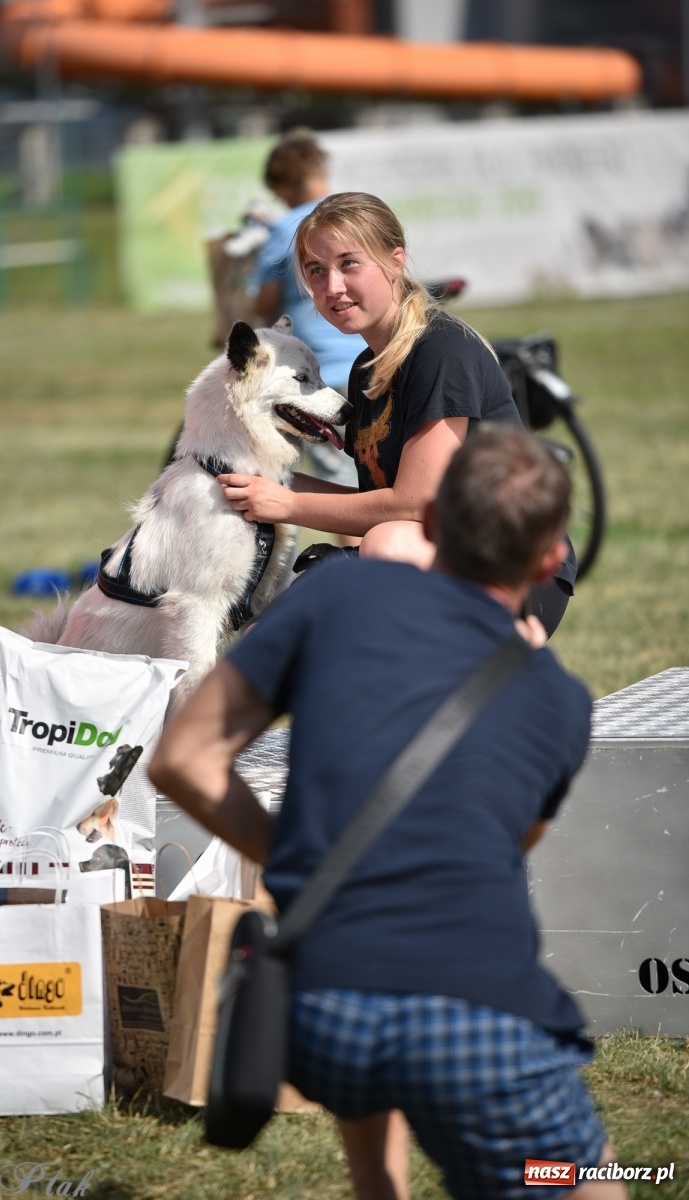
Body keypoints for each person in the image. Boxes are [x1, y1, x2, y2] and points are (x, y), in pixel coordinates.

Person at [149, 427, 623, 1200]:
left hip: (322, 1017)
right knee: (595, 1176)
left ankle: (378, 1184)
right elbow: (508, 843)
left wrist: (305, 856)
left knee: (379, 1076)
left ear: (428, 526)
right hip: (476, 1021)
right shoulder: (558, 702)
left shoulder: (335, 594)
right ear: (547, 565)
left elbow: (183, 759)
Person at [218, 191, 576, 637]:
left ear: (395, 261)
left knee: (386, 545)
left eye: (349, 263)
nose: (332, 287)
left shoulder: (440, 350)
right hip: (424, 555)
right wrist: (262, 481)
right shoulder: (367, 367)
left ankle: (504, 665)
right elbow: (381, 500)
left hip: (510, 566)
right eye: (316, 270)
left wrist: (288, 503)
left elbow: (413, 504)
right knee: (267, 639)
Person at [252, 134, 365, 542]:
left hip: (314, 376)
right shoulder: (345, 222)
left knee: (343, 494)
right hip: (365, 363)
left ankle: (362, 577)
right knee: (369, 479)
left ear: (281, 188)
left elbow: (264, 304)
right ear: (321, 173)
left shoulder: (283, 230)